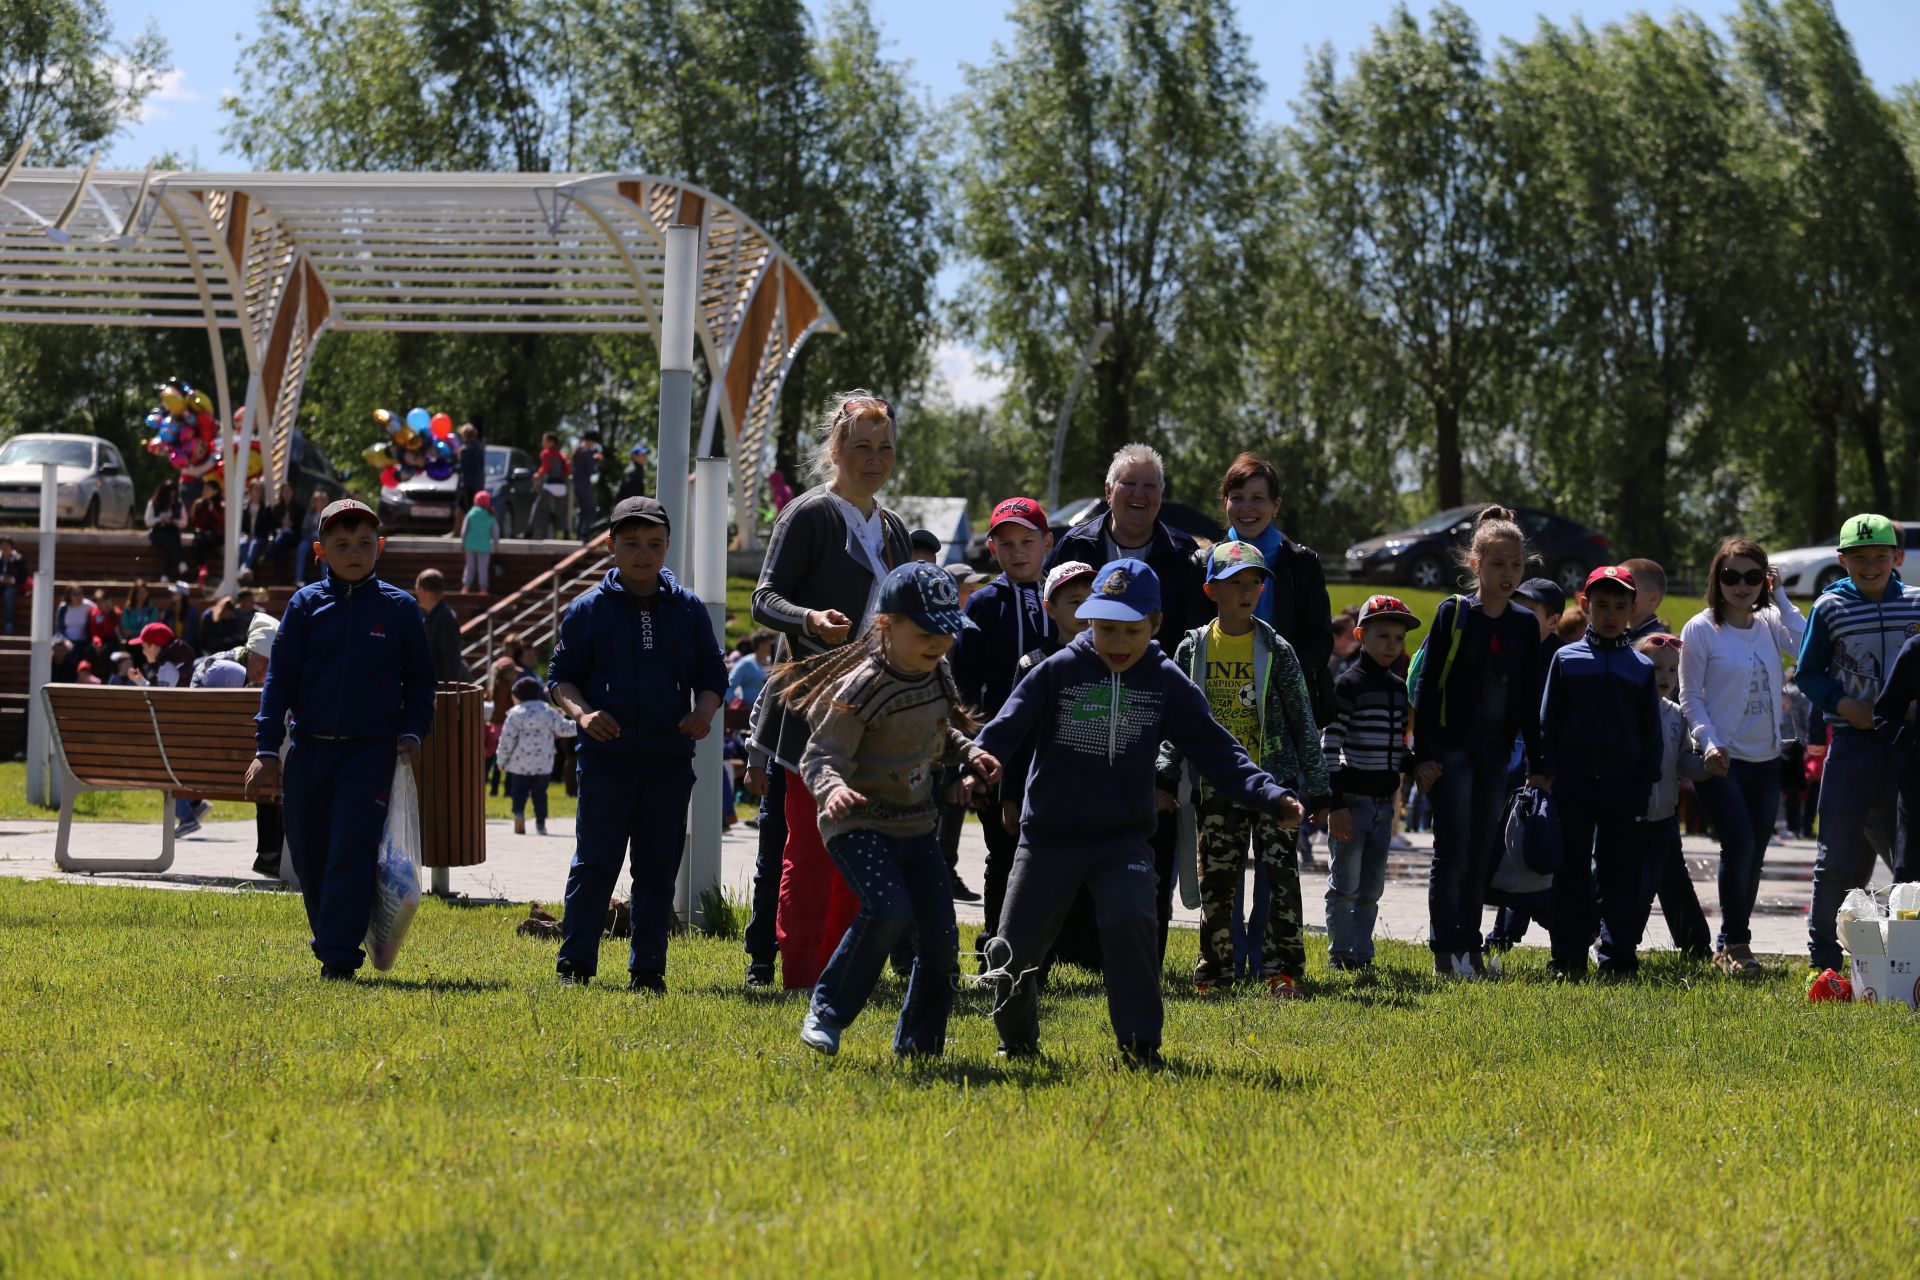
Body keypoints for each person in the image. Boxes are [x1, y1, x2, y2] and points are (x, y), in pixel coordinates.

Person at [976, 560, 1301, 1068]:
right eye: (1106, 628)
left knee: (1131, 923)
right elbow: (1005, 726)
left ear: (1154, 626)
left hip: (1121, 839)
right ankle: (1015, 1042)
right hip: (1049, 839)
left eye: (1132, 630)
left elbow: (1216, 747)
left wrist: (1270, 794)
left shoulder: (1164, 679)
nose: (1118, 642)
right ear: (1088, 621)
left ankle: (1139, 1046)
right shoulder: (1058, 670)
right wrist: (980, 760)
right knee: (1010, 949)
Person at [783, 562, 1001, 1057]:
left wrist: (969, 753)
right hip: (857, 820)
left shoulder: (935, 672)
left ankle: (919, 1047)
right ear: (887, 625)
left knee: (942, 943)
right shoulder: (863, 689)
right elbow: (820, 755)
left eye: (948, 632)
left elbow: (936, 732)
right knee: (887, 908)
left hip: (914, 824)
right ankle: (828, 1010)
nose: (939, 644)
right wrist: (831, 788)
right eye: (926, 632)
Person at [748, 390, 911, 991]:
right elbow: (764, 599)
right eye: (862, 447)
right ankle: (802, 976)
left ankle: (845, 976)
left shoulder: (892, 527)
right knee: (812, 852)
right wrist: (808, 618)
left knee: (861, 853)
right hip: (812, 712)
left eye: (885, 448)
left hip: (873, 711)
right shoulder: (808, 514)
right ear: (836, 450)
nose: (874, 458)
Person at [243, 499, 436, 979]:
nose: (354, 553)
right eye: (342, 544)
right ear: (320, 551)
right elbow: (279, 681)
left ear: (381, 548)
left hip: (369, 752)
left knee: (350, 851)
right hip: (308, 749)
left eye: (365, 544)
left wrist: (413, 731)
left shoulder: (400, 608)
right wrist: (267, 749)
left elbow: (421, 682)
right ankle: (333, 937)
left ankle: (338, 958)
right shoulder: (305, 605)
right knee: (310, 853)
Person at [547, 495, 726, 990]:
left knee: (657, 870)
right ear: (611, 546)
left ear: (667, 546)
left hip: (669, 763)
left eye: (653, 544)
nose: (642, 554)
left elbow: (713, 675)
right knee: (595, 863)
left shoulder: (687, 609)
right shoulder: (587, 610)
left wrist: (703, 712)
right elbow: (560, 679)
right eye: (631, 544)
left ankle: (648, 969)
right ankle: (574, 965)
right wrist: (583, 714)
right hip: (605, 762)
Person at [1047, 443, 1210, 960]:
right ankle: (1078, 953)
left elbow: (1188, 646)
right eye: (1129, 484)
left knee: (1150, 834)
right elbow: (1052, 626)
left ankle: (1142, 951)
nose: (1139, 495)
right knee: (1079, 827)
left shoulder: (1185, 557)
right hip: (1083, 707)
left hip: (1152, 716)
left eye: (1150, 486)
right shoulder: (1075, 545)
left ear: (1162, 495)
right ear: (1108, 491)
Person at [1159, 541, 1330, 997]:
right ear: (1211, 589)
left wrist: (1320, 790)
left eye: (1255, 582)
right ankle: (1215, 971)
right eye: (1236, 582)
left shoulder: (1277, 648)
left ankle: (1282, 970)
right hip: (1217, 784)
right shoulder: (1193, 648)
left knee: (1280, 880)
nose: (1247, 591)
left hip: (1275, 784)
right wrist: (1163, 774)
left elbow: (1302, 721)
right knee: (1217, 881)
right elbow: (1176, 721)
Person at [1409, 506, 1543, 979]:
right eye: (1497, 564)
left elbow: (1529, 698)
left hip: (1496, 755)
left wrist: (1537, 759)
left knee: (1483, 849)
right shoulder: (1454, 614)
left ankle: (1471, 946)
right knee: (1454, 850)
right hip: (1452, 753)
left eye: (1516, 566)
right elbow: (1427, 688)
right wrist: (1422, 755)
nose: (1508, 575)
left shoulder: (1525, 625)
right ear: (1475, 564)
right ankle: (1446, 950)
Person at [1677, 537, 1808, 976]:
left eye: (1753, 577)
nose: (1741, 585)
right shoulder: (1701, 628)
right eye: (1731, 576)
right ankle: (1735, 943)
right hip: (1721, 760)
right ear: (1717, 578)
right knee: (1741, 844)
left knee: (1755, 854)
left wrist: (1782, 595)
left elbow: (1806, 644)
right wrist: (1708, 741)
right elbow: (1690, 696)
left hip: (1767, 758)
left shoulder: (1772, 621)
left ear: (1764, 581)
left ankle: (1732, 942)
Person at [1797, 515, 1920, 973]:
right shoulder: (1829, 608)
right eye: (1860, 558)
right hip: (1851, 745)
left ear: (1897, 557)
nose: (1870, 566)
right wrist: (1845, 704)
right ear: (1841, 559)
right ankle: (1823, 957)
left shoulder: (1915, 604)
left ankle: (1903, 956)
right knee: (1834, 858)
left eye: (1880, 557)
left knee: (1907, 861)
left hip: (1905, 746)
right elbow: (1808, 672)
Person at [1538, 567, 1664, 979]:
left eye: (1620, 607)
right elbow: (1548, 723)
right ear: (1585, 606)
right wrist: (1546, 772)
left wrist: (1645, 781)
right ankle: (1568, 958)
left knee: (1620, 876)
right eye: (1602, 606)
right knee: (1570, 873)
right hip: (1573, 785)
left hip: (1624, 788)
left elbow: (1650, 733)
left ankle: (1617, 958)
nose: (1610, 614)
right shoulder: (1566, 659)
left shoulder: (1639, 667)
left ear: (1631, 611)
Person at [949, 496, 1056, 921]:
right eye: (1005, 544)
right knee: (1004, 851)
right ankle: (996, 940)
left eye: (1026, 541)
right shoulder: (982, 604)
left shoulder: (1067, 597)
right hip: (1000, 751)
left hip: (1055, 747)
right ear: (992, 549)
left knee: (1053, 853)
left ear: (1047, 542)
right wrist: (972, 754)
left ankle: (1050, 948)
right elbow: (964, 686)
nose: (1017, 552)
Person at [1320, 595, 1418, 972]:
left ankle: (1362, 954)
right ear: (1361, 635)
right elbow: (1330, 743)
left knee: (1371, 887)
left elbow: (1397, 746)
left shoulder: (1397, 688)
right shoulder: (1348, 685)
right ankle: (1340, 955)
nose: (1392, 645)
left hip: (1383, 802)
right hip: (1354, 801)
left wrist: (1416, 764)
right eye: (1382, 636)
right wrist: (1335, 801)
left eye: (1398, 638)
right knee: (1344, 883)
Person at [1218, 452, 1334, 718]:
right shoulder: (1206, 562)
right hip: (1222, 697)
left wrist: (1283, 679)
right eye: (1237, 498)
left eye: (1257, 498)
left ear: (1276, 505)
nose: (1246, 507)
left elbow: (1320, 640)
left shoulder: (1303, 564)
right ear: (1225, 502)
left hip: (1286, 701)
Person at [1639, 631, 1710, 948]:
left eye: (1672, 670)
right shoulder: (1628, 711)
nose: (1664, 676)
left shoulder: (1677, 715)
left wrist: (1707, 767)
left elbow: (1684, 762)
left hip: (1665, 815)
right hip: (1631, 815)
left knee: (1674, 879)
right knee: (1632, 882)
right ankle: (1613, 940)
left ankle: (1695, 942)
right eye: (1655, 669)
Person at [497, 675, 577, 835]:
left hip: (520, 765)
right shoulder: (547, 711)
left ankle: (519, 814)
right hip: (543, 764)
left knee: (518, 792)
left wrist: (501, 759)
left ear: (517, 696)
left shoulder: (515, 714)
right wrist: (580, 724)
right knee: (540, 795)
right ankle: (540, 824)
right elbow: (563, 728)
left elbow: (507, 739)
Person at [415, 568, 470, 682]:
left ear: (422, 590)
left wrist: (449, 694)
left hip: (441, 693)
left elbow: (451, 661)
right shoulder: (434, 616)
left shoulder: (446, 618)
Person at [1620, 557, 1671, 642]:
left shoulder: (1657, 644)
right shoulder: (1621, 635)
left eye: (1626, 589)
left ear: (1653, 597)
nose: (1618, 596)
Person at [726, 629, 777, 713]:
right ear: (761, 645)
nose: (774, 646)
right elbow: (728, 686)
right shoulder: (745, 663)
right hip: (746, 714)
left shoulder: (772, 662)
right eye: (770, 644)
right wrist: (736, 704)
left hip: (766, 712)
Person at [144, 479, 187, 577]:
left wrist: (174, 521)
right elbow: (148, 521)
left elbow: (184, 522)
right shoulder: (153, 503)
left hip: (172, 532)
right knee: (170, 540)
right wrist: (160, 519)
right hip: (157, 533)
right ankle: (180, 562)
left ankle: (165, 575)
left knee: (171, 542)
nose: (172, 496)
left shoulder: (179, 505)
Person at [459, 490, 497, 593]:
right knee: (483, 567)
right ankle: (483, 589)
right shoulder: (490, 515)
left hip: (469, 545)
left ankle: (466, 587)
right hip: (484, 546)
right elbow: (495, 533)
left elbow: (463, 532)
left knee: (470, 566)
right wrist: (495, 546)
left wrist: (462, 544)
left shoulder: (470, 514)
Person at [534, 431, 570, 537]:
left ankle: (530, 530)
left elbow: (545, 468)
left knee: (537, 506)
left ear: (551, 443)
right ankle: (566, 533)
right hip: (561, 487)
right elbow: (567, 471)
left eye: (544, 440)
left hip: (550, 485)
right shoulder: (562, 456)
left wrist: (538, 474)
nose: (543, 443)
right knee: (561, 511)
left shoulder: (545, 453)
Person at [571, 431, 605, 539]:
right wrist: (598, 461)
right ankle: (586, 534)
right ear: (590, 441)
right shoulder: (587, 451)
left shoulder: (578, 450)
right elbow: (592, 471)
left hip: (576, 483)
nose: (594, 444)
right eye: (593, 442)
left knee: (582, 509)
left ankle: (578, 534)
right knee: (591, 509)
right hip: (585, 483)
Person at [139, 621, 194, 688]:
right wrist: (140, 681)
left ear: (153, 647)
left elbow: (157, 697)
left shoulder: (167, 668)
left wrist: (141, 682)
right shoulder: (176, 661)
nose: (143, 651)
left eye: (144, 647)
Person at [294, 491, 327, 586]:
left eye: (322, 500)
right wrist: (311, 537)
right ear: (314, 501)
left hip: (323, 542)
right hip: (309, 540)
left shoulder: (328, 514)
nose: (320, 502)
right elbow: (304, 530)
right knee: (301, 548)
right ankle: (298, 579)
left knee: (326, 554)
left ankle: (325, 581)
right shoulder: (309, 514)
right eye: (317, 500)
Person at [456, 421, 486, 514]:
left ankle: (466, 528)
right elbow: (481, 466)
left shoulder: (464, 450)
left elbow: (462, 468)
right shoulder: (480, 447)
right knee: (475, 509)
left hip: (467, 485)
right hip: (478, 484)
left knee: (467, 510)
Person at [0, 536, 23, 634]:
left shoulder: (17, 558)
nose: (4, 547)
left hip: (13, 587)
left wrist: (12, 580)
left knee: (8, 594)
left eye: (7, 545)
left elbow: (23, 576)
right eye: (2, 545)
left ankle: (9, 623)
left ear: (11, 546)